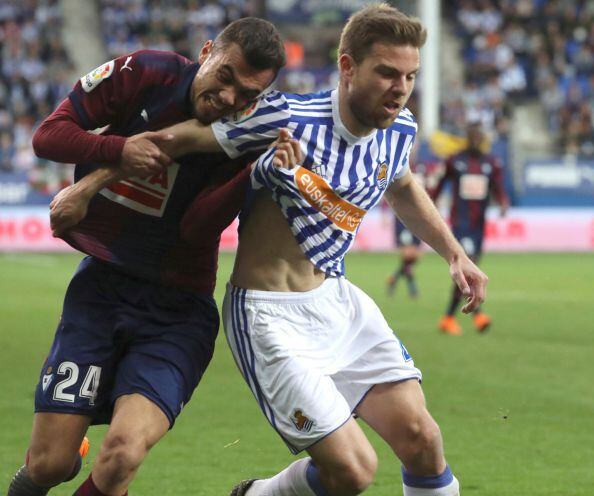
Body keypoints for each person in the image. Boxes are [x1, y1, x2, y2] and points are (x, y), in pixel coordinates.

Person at [135, 4, 484, 495]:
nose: (400, 87)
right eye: (386, 72)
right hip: (268, 317)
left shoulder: (399, 129)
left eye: (409, 75)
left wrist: (454, 253)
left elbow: (401, 185)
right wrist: (91, 181)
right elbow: (178, 140)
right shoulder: (286, 117)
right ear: (347, 66)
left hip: (337, 304)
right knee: (353, 471)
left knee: (423, 440)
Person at [7, 19, 285, 496]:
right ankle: (62, 451)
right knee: (50, 464)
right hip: (101, 290)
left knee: (122, 456)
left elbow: (198, 227)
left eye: (248, 93)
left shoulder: (250, 136)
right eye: (226, 77)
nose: (230, 98)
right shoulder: (146, 72)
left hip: (178, 311)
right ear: (206, 52)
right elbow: (48, 135)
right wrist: (117, 149)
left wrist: (257, 171)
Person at [432, 121, 510, 336]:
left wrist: (503, 201)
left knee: (470, 270)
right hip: (460, 224)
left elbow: (498, 186)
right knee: (468, 270)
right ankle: (461, 317)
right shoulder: (455, 161)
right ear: (468, 137)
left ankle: (456, 317)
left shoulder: (490, 163)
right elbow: (439, 183)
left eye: (479, 136)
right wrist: (432, 202)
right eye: (473, 135)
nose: (476, 139)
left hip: (479, 226)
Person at [386, 152, 438, 298]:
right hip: (402, 217)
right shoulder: (398, 167)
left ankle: (394, 278)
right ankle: (413, 289)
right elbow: (388, 190)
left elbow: (429, 189)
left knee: (415, 256)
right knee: (408, 254)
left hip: (419, 217)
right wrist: (385, 211)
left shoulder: (421, 168)